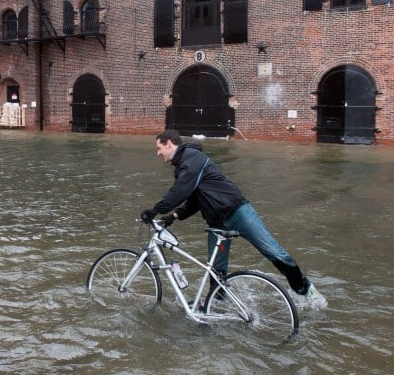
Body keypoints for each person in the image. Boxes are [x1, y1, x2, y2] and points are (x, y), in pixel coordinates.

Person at [140, 130, 327, 309]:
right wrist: (173, 216)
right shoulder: (183, 166)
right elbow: (196, 199)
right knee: (216, 268)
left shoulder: (191, 157)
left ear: (170, 143)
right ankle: (217, 304)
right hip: (217, 223)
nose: (158, 153)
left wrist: (154, 210)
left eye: (159, 148)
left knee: (274, 252)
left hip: (238, 212)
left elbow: (180, 191)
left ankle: (307, 290)